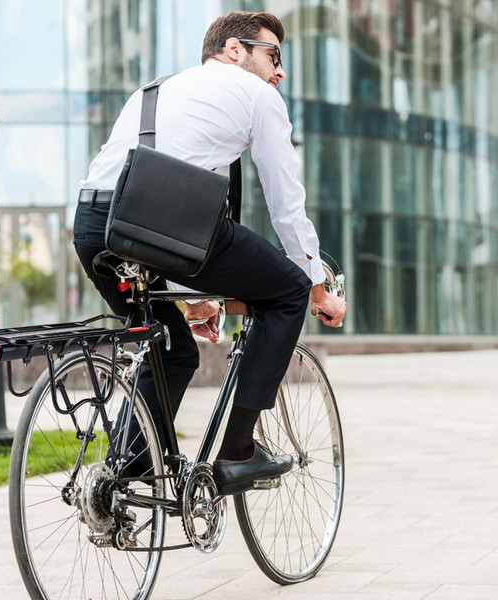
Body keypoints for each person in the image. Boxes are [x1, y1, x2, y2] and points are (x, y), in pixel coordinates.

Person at [74, 10, 347, 495]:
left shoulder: (153, 91)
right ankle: (239, 453)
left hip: (95, 224)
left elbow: (131, 200)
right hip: (162, 221)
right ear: (234, 50)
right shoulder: (258, 96)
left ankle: (129, 466)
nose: (279, 70)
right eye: (273, 55)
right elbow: (286, 203)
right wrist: (317, 286)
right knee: (285, 291)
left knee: (173, 347)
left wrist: (191, 298)